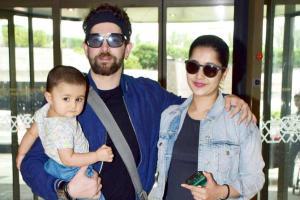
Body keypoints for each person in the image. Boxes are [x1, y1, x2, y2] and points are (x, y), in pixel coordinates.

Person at [20, 4, 256, 200]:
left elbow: (193, 104)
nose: (104, 47)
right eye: (95, 40)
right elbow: (31, 162)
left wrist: (228, 100)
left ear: (127, 48)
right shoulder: (67, 98)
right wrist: (65, 190)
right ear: (86, 48)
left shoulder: (147, 94)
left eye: (114, 39)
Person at [149, 35, 265, 200]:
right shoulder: (170, 116)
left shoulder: (239, 120)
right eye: (193, 66)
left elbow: (254, 178)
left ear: (223, 73)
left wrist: (220, 191)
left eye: (210, 69)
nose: (199, 75)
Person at [16, 65, 113, 196]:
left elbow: (31, 133)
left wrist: (21, 154)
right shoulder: (63, 127)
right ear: (49, 97)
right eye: (66, 98)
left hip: (52, 165)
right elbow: (69, 159)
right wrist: (97, 156)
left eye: (79, 99)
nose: (73, 105)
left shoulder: (44, 111)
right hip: (72, 170)